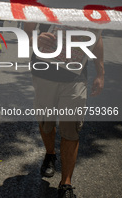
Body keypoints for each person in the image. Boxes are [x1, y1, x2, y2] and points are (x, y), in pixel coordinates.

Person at [24, 22, 104, 198]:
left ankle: (66, 183)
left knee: (71, 129)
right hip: (43, 73)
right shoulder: (43, 0)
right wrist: (35, 39)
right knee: (46, 123)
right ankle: (50, 154)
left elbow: (96, 37)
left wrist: (100, 73)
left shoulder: (89, 6)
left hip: (75, 77)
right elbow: (26, 31)